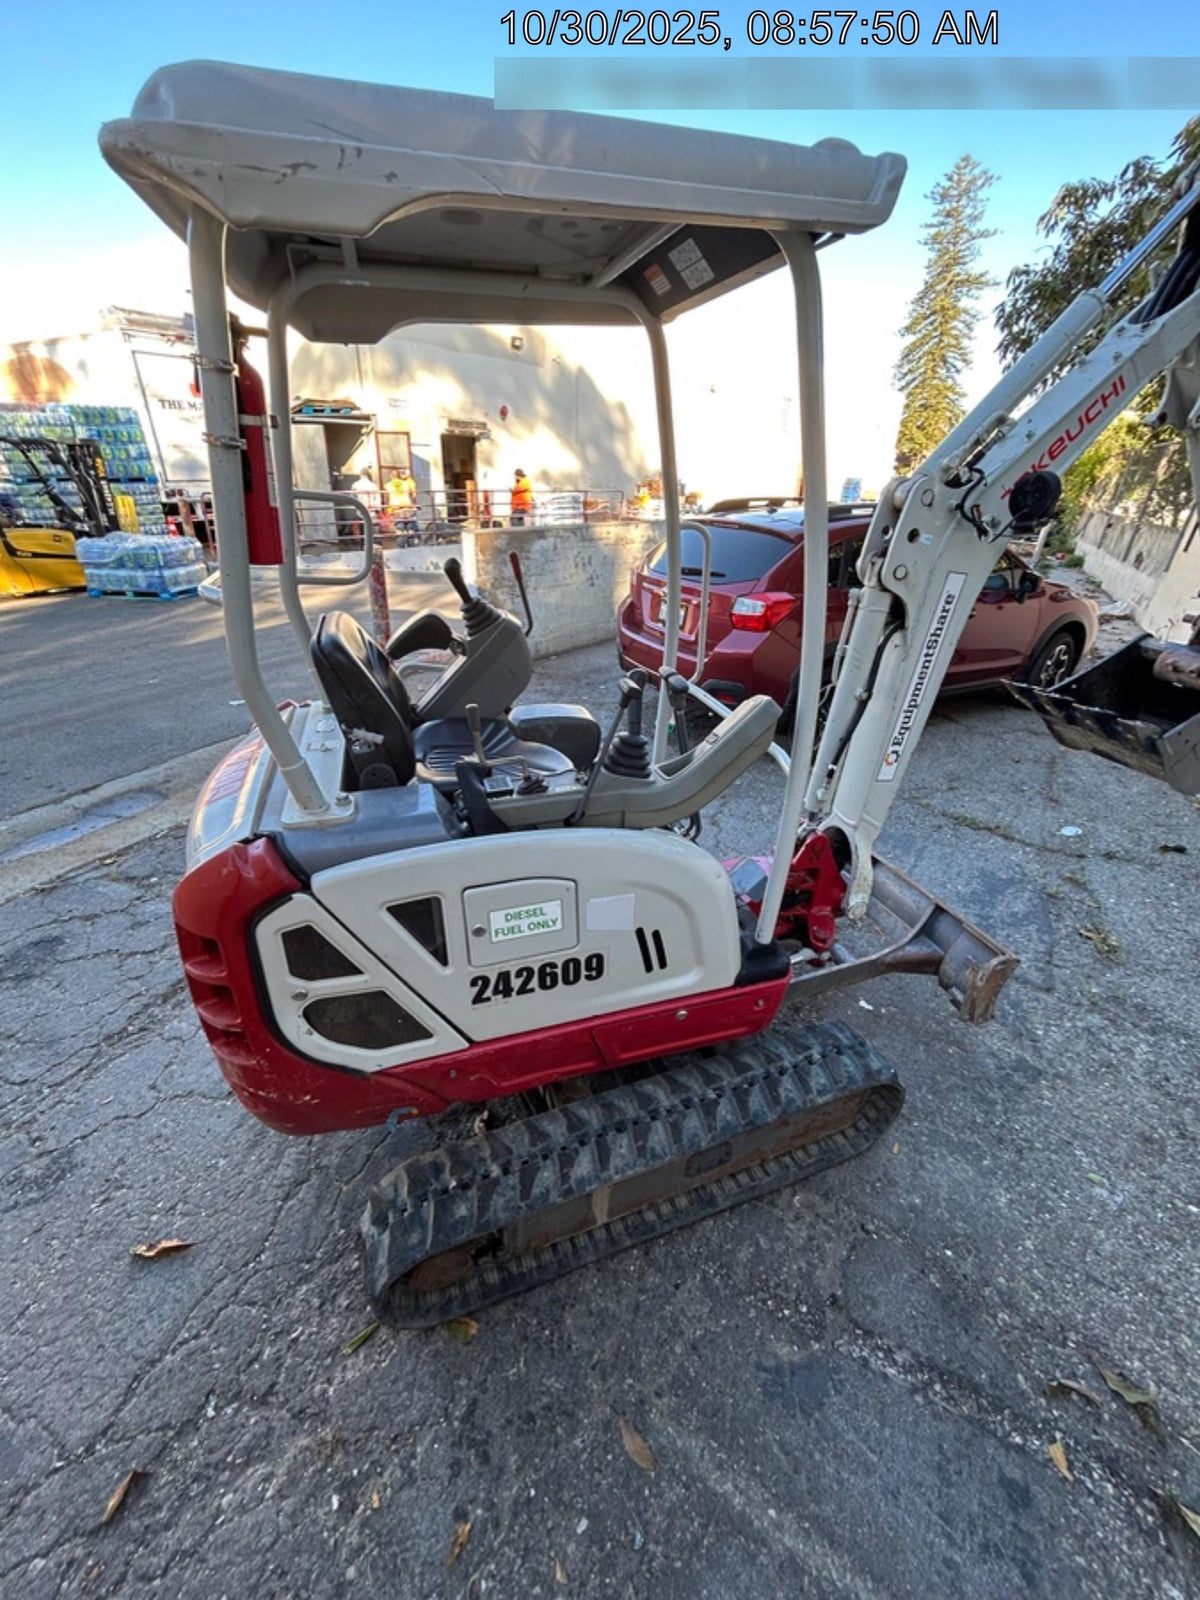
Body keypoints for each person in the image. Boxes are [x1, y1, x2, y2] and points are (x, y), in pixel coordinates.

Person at [386, 466, 419, 540]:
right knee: (410, 528)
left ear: (391, 476)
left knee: (400, 528)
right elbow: (412, 495)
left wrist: (388, 508)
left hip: (397, 509)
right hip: (408, 509)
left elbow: (386, 497)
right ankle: (412, 541)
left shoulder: (388, 485)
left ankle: (402, 543)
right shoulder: (407, 484)